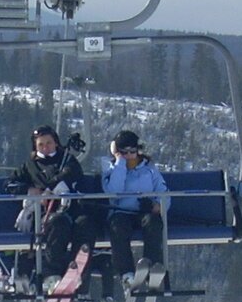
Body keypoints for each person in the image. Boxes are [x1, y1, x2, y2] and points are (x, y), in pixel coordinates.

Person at [10, 125, 96, 291]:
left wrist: (52, 186)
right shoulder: (31, 165)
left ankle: (77, 271)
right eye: (41, 144)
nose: (45, 147)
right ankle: (52, 274)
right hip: (47, 214)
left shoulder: (66, 159)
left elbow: (72, 173)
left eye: (49, 143)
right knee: (58, 223)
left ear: (56, 143)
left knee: (85, 225)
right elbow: (10, 184)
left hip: (71, 208)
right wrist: (30, 191)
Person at [100, 129, 167, 289]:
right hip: (121, 212)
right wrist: (120, 164)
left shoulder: (149, 169)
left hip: (144, 212)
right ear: (117, 152)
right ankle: (126, 273)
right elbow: (114, 192)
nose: (130, 155)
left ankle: (151, 266)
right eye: (124, 152)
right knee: (118, 228)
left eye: (133, 151)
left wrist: (158, 205)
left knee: (153, 223)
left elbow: (163, 191)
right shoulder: (110, 170)